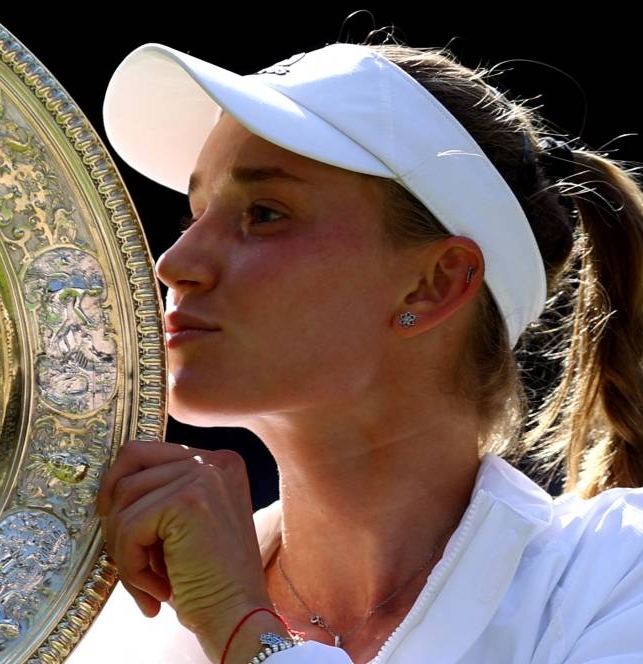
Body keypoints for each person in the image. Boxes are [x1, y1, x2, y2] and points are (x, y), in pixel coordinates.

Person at [66, 31, 643, 664]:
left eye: (264, 213)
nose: (175, 264)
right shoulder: (114, 622)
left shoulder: (616, 573)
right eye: (193, 215)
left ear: (435, 284)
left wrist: (242, 631)